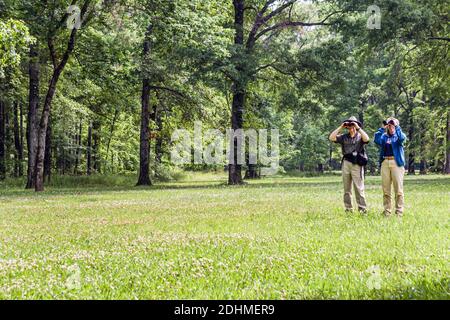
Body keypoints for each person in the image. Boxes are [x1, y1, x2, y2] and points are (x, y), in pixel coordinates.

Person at [329, 116, 370, 213]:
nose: (351, 127)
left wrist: (358, 128)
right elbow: (331, 138)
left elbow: (367, 139)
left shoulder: (360, 137)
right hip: (346, 162)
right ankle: (348, 208)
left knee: (359, 187)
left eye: (353, 125)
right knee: (347, 188)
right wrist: (341, 127)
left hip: (357, 163)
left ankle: (362, 209)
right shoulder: (344, 137)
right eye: (350, 125)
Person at [374, 117, 407, 216]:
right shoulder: (384, 136)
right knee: (386, 189)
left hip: (396, 163)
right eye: (389, 125)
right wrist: (382, 128)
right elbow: (376, 140)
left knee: (398, 189)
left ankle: (399, 211)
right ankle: (387, 211)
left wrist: (397, 127)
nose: (391, 126)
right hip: (385, 162)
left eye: (393, 125)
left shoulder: (399, 135)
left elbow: (402, 139)